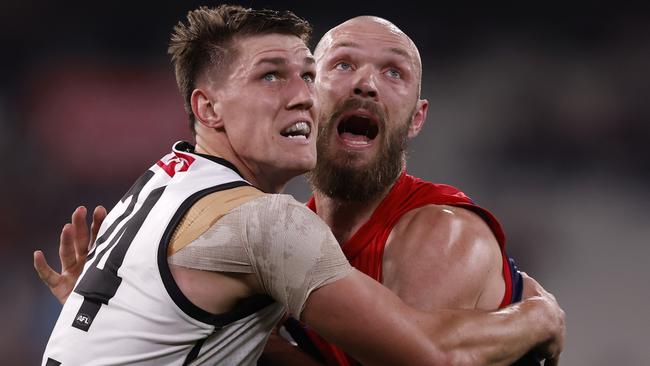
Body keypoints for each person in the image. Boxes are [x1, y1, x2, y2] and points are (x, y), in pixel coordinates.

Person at [35, 5, 564, 366]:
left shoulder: (162, 180)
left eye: (304, 75)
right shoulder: (272, 224)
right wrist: (539, 317)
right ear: (207, 107)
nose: (301, 95)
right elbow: (432, 355)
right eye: (272, 76)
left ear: (419, 116)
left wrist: (120, 313)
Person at [273, 16, 545, 365]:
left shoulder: (444, 233)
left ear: (417, 119)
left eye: (393, 72)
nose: (366, 83)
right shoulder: (287, 236)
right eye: (343, 64)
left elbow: (422, 356)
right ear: (306, 97)